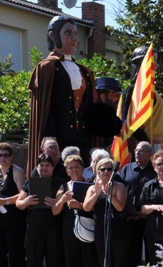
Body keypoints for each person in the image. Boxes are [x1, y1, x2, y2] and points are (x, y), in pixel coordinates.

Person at [28, 16, 96, 174]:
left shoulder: (85, 71)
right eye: (68, 33)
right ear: (53, 36)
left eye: (75, 33)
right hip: (58, 140)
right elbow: (43, 108)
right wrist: (49, 136)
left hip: (83, 138)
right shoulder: (46, 68)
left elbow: (90, 107)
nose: (74, 38)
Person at [52, 155, 101, 267]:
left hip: (86, 223)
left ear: (82, 168)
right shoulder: (63, 187)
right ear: (67, 171)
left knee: (89, 259)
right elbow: (54, 210)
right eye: (70, 167)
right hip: (69, 225)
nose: (74, 170)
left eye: (77, 167)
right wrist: (63, 200)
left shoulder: (90, 185)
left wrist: (78, 205)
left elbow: (94, 208)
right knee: (71, 259)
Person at [16, 153, 65, 267]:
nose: (44, 168)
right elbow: (18, 203)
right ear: (37, 167)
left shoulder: (60, 183)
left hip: (53, 225)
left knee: (54, 259)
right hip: (34, 225)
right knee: (33, 259)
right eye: (41, 165)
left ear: (52, 167)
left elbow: (61, 202)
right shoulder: (30, 183)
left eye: (47, 165)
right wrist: (26, 202)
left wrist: (55, 203)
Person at [83, 157, 130, 267]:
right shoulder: (92, 188)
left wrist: (110, 194)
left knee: (119, 264)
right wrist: (97, 193)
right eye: (102, 169)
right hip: (100, 230)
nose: (106, 172)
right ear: (97, 171)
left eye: (109, 169)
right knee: (104, 263)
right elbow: (86, 207)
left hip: (118, 229)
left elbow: (121, 207)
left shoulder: (118, 186)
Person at [120, 141, 157, 267]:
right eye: (136, 150)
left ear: (149, 154)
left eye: (141, 151)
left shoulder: (154, 170)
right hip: (131, 217)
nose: (137, 153)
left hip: (149, 217)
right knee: (133, 252)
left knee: (151, 252)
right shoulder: (127, 169)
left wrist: (146, 212)